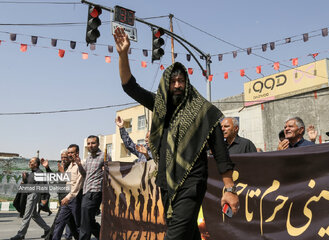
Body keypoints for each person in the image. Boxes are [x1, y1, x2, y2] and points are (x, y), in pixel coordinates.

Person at [114, 27, 239, 240]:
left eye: (181, 81)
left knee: (174, 235)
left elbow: (220, 152)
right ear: (166, 84)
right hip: (166, 182)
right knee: (186, 233)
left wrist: (230, 189)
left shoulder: (204, 111)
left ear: (187, 83)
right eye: (173, 81)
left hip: (192, 181)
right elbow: (130, 87)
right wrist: (123, 55)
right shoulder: (161, 106)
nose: (178, 85)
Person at [75, 135, 111, 240]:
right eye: (89, 143)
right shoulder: (88, 158)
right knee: (88, 220)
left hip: (95, 191)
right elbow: (84, 174)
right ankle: (104, 236)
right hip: (86, 191)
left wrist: (106, 170)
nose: (90, 145)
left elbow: (109, 173)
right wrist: (79, 165)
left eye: (93, 143)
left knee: (85, 221)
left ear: (98, 144)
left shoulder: (104, 156)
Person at [10, 157, 51, 240]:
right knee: (34, 215)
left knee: (27, 214)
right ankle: (48, 229)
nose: (29, 163)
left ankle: (21, 234)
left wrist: (44, 198)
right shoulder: (32, 173)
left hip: (34, 194)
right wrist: (24, 180)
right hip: (29, 195)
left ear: (36, 164)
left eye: (31, 162)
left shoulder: (39, 172)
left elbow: (44, 186)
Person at [52, 144, 84, 240]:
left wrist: (68, 197)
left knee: (78, 224)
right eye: (69, 152)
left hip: (75, 198)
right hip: (67, 198)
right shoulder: (70, 165)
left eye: (72, 152)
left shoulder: (81, 164)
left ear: (77, 153)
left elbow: (77, 185)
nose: (70, 154)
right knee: (60, 221)